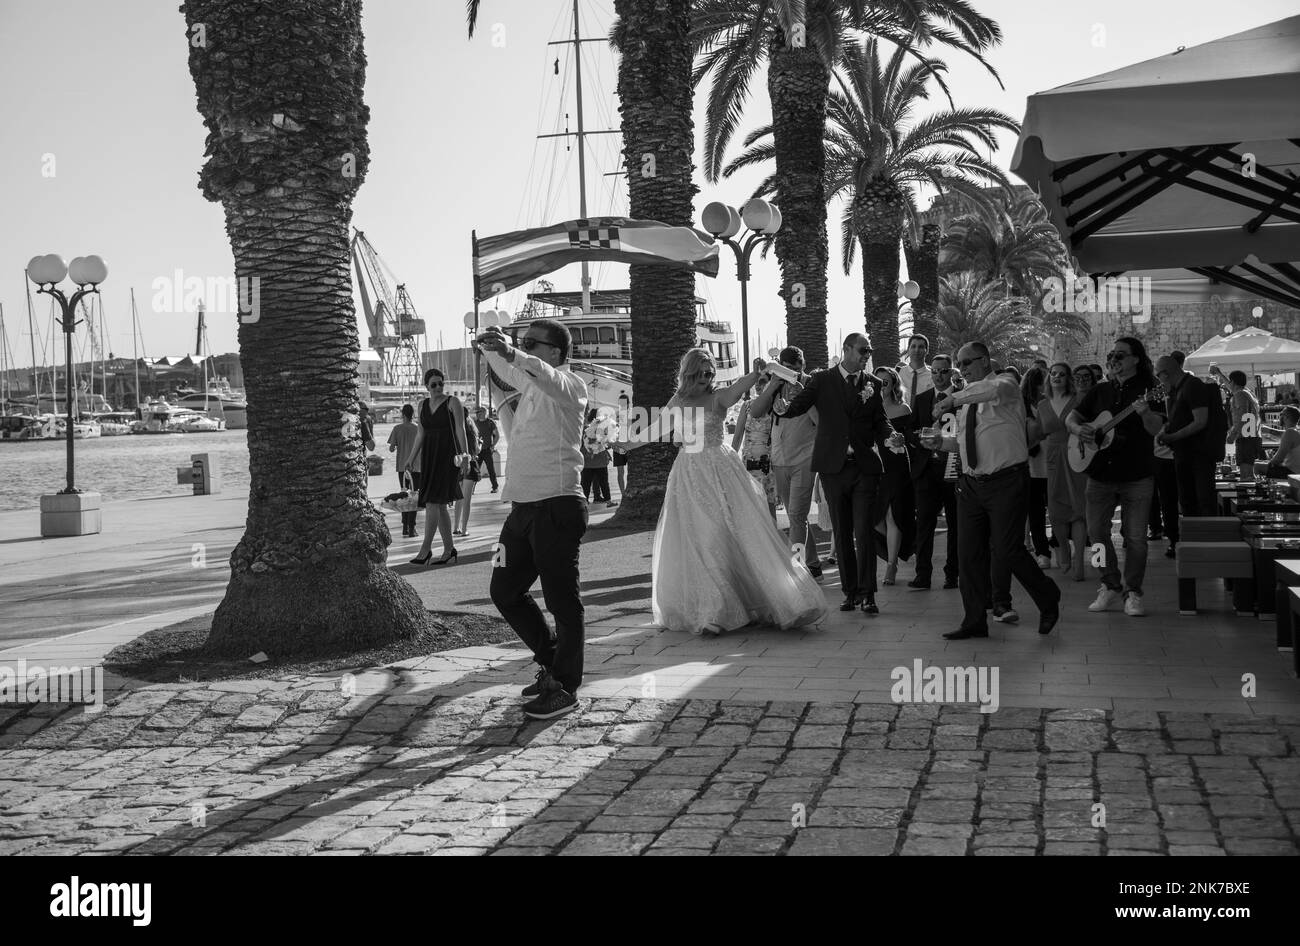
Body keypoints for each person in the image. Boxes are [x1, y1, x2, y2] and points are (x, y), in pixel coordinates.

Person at [618, 350, 826, 636]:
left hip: (720, 470)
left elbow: (739, 386)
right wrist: (626, 445)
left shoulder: (719, 397)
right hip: (689, 475)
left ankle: (763, 600)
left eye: (710, 373)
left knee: (726, 533)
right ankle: (713, 609)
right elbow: (656, 429)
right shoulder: (678, 401)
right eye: (701, 373)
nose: (707, 378)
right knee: (698, 537)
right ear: (689, 374)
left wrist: (756, 374)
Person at [477, 319, 589, 720]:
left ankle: (565, 687)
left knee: (563, 602)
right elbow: (512, 370)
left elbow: (536, 372)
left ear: (556, 353)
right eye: (522, 343)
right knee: (503, 590)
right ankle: (551, 660)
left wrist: (510, 351)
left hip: (557, 507)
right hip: (521, 510)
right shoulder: (529, 386)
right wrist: (491, 346)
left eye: (531, 344)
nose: (524, 349)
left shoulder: (571, 387)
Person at [923, 341, 1061, 638]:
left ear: (985, 360)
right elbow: (964, 442)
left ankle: (1048, 597)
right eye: (960, 364)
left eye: (967, 362)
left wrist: (952, 399)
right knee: (968, 554)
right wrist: (941, 444)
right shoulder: (968, 398)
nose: (963, 369)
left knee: (1008, 549)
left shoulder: (1005, 383)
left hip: (1007, 481)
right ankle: (974, 620)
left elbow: (993, 391)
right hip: (971, 484)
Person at [777, 333, 908, 613]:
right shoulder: (822, 380)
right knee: (842, 530)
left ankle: (868, 594)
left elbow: (880, 421)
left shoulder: (873, 384)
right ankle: (850, 592)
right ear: (846, 349)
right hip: (832, 468)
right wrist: (780, 404)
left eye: (869, 351)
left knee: (864, 530)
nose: (867, 355)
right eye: (862, 350)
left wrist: (891, 436)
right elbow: (796, 407)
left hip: (865, 468)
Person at [1067, 337, 1162, 617]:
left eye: (1121, 354)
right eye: (1112, 354)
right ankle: (1109, 583)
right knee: (1096, 533)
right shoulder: (1100, 391)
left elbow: (1157, 428)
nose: (1114, 358)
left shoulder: (1152, 391)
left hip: (1137, 473)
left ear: (1135, 359)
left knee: (1136, 538)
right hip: (1100, 474)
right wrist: (1078, 431)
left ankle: (1132, 591)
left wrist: (1145, 413)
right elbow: (1071, 419)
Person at [751, 346, 822, 580]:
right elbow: (756, 412)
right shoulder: (776, 384)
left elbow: (819, 421)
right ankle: (813, 565)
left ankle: (796, 571)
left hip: (806, 456)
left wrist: (804, 396)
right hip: (780, 459)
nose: (792, 373)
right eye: (787, 368)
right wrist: (772, 383)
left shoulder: (812, 384)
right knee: (796, 518)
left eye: (796, 368)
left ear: (803, 365)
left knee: (796, 515)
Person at [909, 354, 960, 590]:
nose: (939, 375)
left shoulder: (961, 400)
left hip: (953, 466)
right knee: (924, 524)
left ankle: (953, 574)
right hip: (927, 468)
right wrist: (921, 436)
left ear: (951, 373)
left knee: (955, 523)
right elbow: (910, 431)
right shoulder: (921, 399)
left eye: (943, 371)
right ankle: (923, 574)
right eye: (936, 371)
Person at [409, 368, 469, 566]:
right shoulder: (422, 405)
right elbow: (420, 434)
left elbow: (460, 431)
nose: (438, 387)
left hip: (447, 457)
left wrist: (466, 456)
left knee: (432, 503)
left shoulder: (453, 402)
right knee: (440, 505)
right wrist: (411, 458)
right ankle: (449, 550)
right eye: (433, 384)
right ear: (426, 386)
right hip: (429, 457)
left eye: (441, 383)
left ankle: (425, 550)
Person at [1037, 363, 1087, 581]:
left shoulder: (1079, 402)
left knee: (1078, 510)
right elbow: (1038, 433)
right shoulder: (1042, 405)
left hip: (1076, 456)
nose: (1057, 377)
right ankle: (1064, 550)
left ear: (1069, 379)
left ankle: (1078, 561)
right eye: (1053, 373)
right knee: (1056, 512)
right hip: (1053, 458)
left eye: (1062, 374)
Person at [871, 366, 916, 585]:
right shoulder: (867, 408)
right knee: (875, 519)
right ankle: (891, 551)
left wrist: (902, 439)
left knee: (892, 514)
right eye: (877, 382)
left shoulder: (903, 408)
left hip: (896, 466)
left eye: (886, 382)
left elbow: (910, 437)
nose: (882, 385)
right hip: (873, 467)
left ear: (894, 384)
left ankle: (891, 565)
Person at [1158, 356, 1216, 516]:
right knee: (1187, 501)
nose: (1159, 380)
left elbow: (1200, 421)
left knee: (1203, 500)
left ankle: (1207, 538)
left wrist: (1173, 437)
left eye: (1158, 375)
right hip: (1183, 454)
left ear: (1166, 373)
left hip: (1199, 455)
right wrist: (1165, 432)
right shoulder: (1177, 389)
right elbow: (1178, 419)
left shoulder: (1193, 386)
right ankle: (1193, 538)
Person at [732, 375, 778, 521]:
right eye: (756, 382)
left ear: (771, 383)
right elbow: (738, 436)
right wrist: (731, 462)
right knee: (750, 511)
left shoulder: (777, 406)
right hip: (748, 466)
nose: (758, 385)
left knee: (770, 513)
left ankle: (772, 543)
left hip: (770, 467)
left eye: (763, 381)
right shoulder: (747, 406)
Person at [1021, 367, 1051, 568]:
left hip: (1053, 462)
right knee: (1036, 512)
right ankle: (1042, 551)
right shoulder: (1022, 406)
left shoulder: (1051, 404)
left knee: (1056, 510)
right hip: (1033, 464)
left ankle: (1056, 545)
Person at [387, 403, 422, 537]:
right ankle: (412, 527)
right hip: (416, 467)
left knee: (403, 496)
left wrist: (399, 444)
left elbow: (391, 448)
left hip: (402, 467)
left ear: (402, 414)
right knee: (413, 498)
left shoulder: (397, 428)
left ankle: (405, 527)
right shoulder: (418, 429)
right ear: (413, 414)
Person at [1223, 370, 1264, 482]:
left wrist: (1232, 434)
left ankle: (1247, 498)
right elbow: (1231, 387)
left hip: (1246, 436)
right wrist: (1219, 374)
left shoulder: (1240, 394)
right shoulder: (1247, 392)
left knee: (1246, 476)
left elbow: (1243, 416)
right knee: (1249, 473)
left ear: (1233, 382)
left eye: (1229, 382)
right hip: (1252, 435)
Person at [580, 408, 616, 508]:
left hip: (587, 460)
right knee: (604, 482)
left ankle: (584, 502)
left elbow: (582, 443)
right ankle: (608, 501)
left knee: (585, 483)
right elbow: (606, 443)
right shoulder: (602, 428)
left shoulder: (585, 428)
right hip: (600, 460)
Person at [453, 411, 481, 537]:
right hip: (470, 465)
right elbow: (476, 451)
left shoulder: (455, 431)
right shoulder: (471, 432)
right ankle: (464, 529)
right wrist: (480, 444)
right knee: (467, 500)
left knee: (459, 499)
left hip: (457, 466)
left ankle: (456, 527)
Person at [897, 334, 933, 408]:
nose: (917, 350)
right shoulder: (898, 374)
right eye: (913, 346)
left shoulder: (933, 376)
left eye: (921, 347)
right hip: (902, 417)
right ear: (908, 349)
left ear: (927, 351)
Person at [1263, 406, 1300, 476]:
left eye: (1281, 414)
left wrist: (1267, 462)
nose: (1279, 417)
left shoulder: (1290, 432)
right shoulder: (1295, 431)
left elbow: (1277, 460)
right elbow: (1281, 433)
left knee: (1257, 466)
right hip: (1295, 470)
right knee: (1262, 463)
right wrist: (1268, 430)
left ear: (1286, 417)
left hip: (1292, 472)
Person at [474, 405, 500, 492]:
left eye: (480, 412)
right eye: (477, 412)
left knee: (491, 469)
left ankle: (495, 487)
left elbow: (497, 435)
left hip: (487, 450)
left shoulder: (490, 423)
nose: (478, 414)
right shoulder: (475, 423)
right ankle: (471, 489)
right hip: (477, 451)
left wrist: (493, 446)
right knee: (475, 470)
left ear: (485, 413)